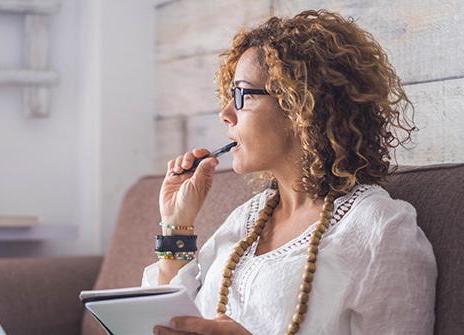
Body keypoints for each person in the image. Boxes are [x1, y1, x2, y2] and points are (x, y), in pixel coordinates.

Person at [143, 9, 437, 335]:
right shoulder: (246, 220)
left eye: (241, 95)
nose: (225, 114)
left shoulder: (379, 228)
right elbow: (173, 320)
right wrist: (175, 224)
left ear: (300, 106)